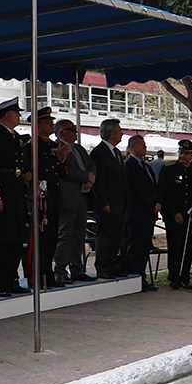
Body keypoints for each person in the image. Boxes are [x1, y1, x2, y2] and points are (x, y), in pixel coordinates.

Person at [0, 97, 33, 296]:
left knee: (16, 240)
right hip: (3, 193)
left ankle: (11, 279)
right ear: (8, 115)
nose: (19, 116)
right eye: (17, 113)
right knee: (2, 241)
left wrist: (33, 182)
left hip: (16, 194)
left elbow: (20, 167)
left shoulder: (15, 137)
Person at [53, 118, 96, 283]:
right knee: (65, 235)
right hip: (67, 198)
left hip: (82, 197)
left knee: (79, 235)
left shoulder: (79, 149)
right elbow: (64, 171)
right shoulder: (57, 148)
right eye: (72, 129)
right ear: (62, 133)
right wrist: (85, 176)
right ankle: (60, 270)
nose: (75, 132)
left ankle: (77, 269)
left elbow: (91, 165)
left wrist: (91, 177)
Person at [33, 107, 69, 290]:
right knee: (42, 241)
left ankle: (49, 274)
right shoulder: (33, 145)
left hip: (53, 197)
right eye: (47, 122)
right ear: (38, 125)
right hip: (41, 199)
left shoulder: (52, 145)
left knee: (52, 240)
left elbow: (60, 172)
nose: (51, 124)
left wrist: (61, 160)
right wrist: (57, 158)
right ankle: (40, 276)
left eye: (51, 121)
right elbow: (38, 171)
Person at [89, 118, 128, 278]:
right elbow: (99, 181)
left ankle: (112, 264)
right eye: (119, 130)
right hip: (107, 203)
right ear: (112, 133)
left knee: (116, 236)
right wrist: (103, 201)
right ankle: (102, 266)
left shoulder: (116, 152)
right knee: (105, 235)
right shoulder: (99, 152)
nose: (122, 133)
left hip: (119, 202)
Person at [159, 139, 192, 289]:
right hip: (173, 216)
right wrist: (174, 212)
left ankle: (185, 277)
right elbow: (164, 193)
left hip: (189, 215)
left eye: (186, 154)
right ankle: (174, 277)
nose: (183, 156)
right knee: (175, 247)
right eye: (181, 152)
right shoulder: (169, 169)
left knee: (187, 247)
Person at [124, 134, 159, 290]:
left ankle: (141, 278)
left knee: (145, 247)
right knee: (136, 247)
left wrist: (158, 202)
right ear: (132, 147)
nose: (145, 147)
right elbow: (136, 189)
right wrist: (151, 205)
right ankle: (134, 277)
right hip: (138, 213)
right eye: (142, 144)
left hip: (149, 214)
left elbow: (154, 186)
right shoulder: (129, 165)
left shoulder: (146, 165)